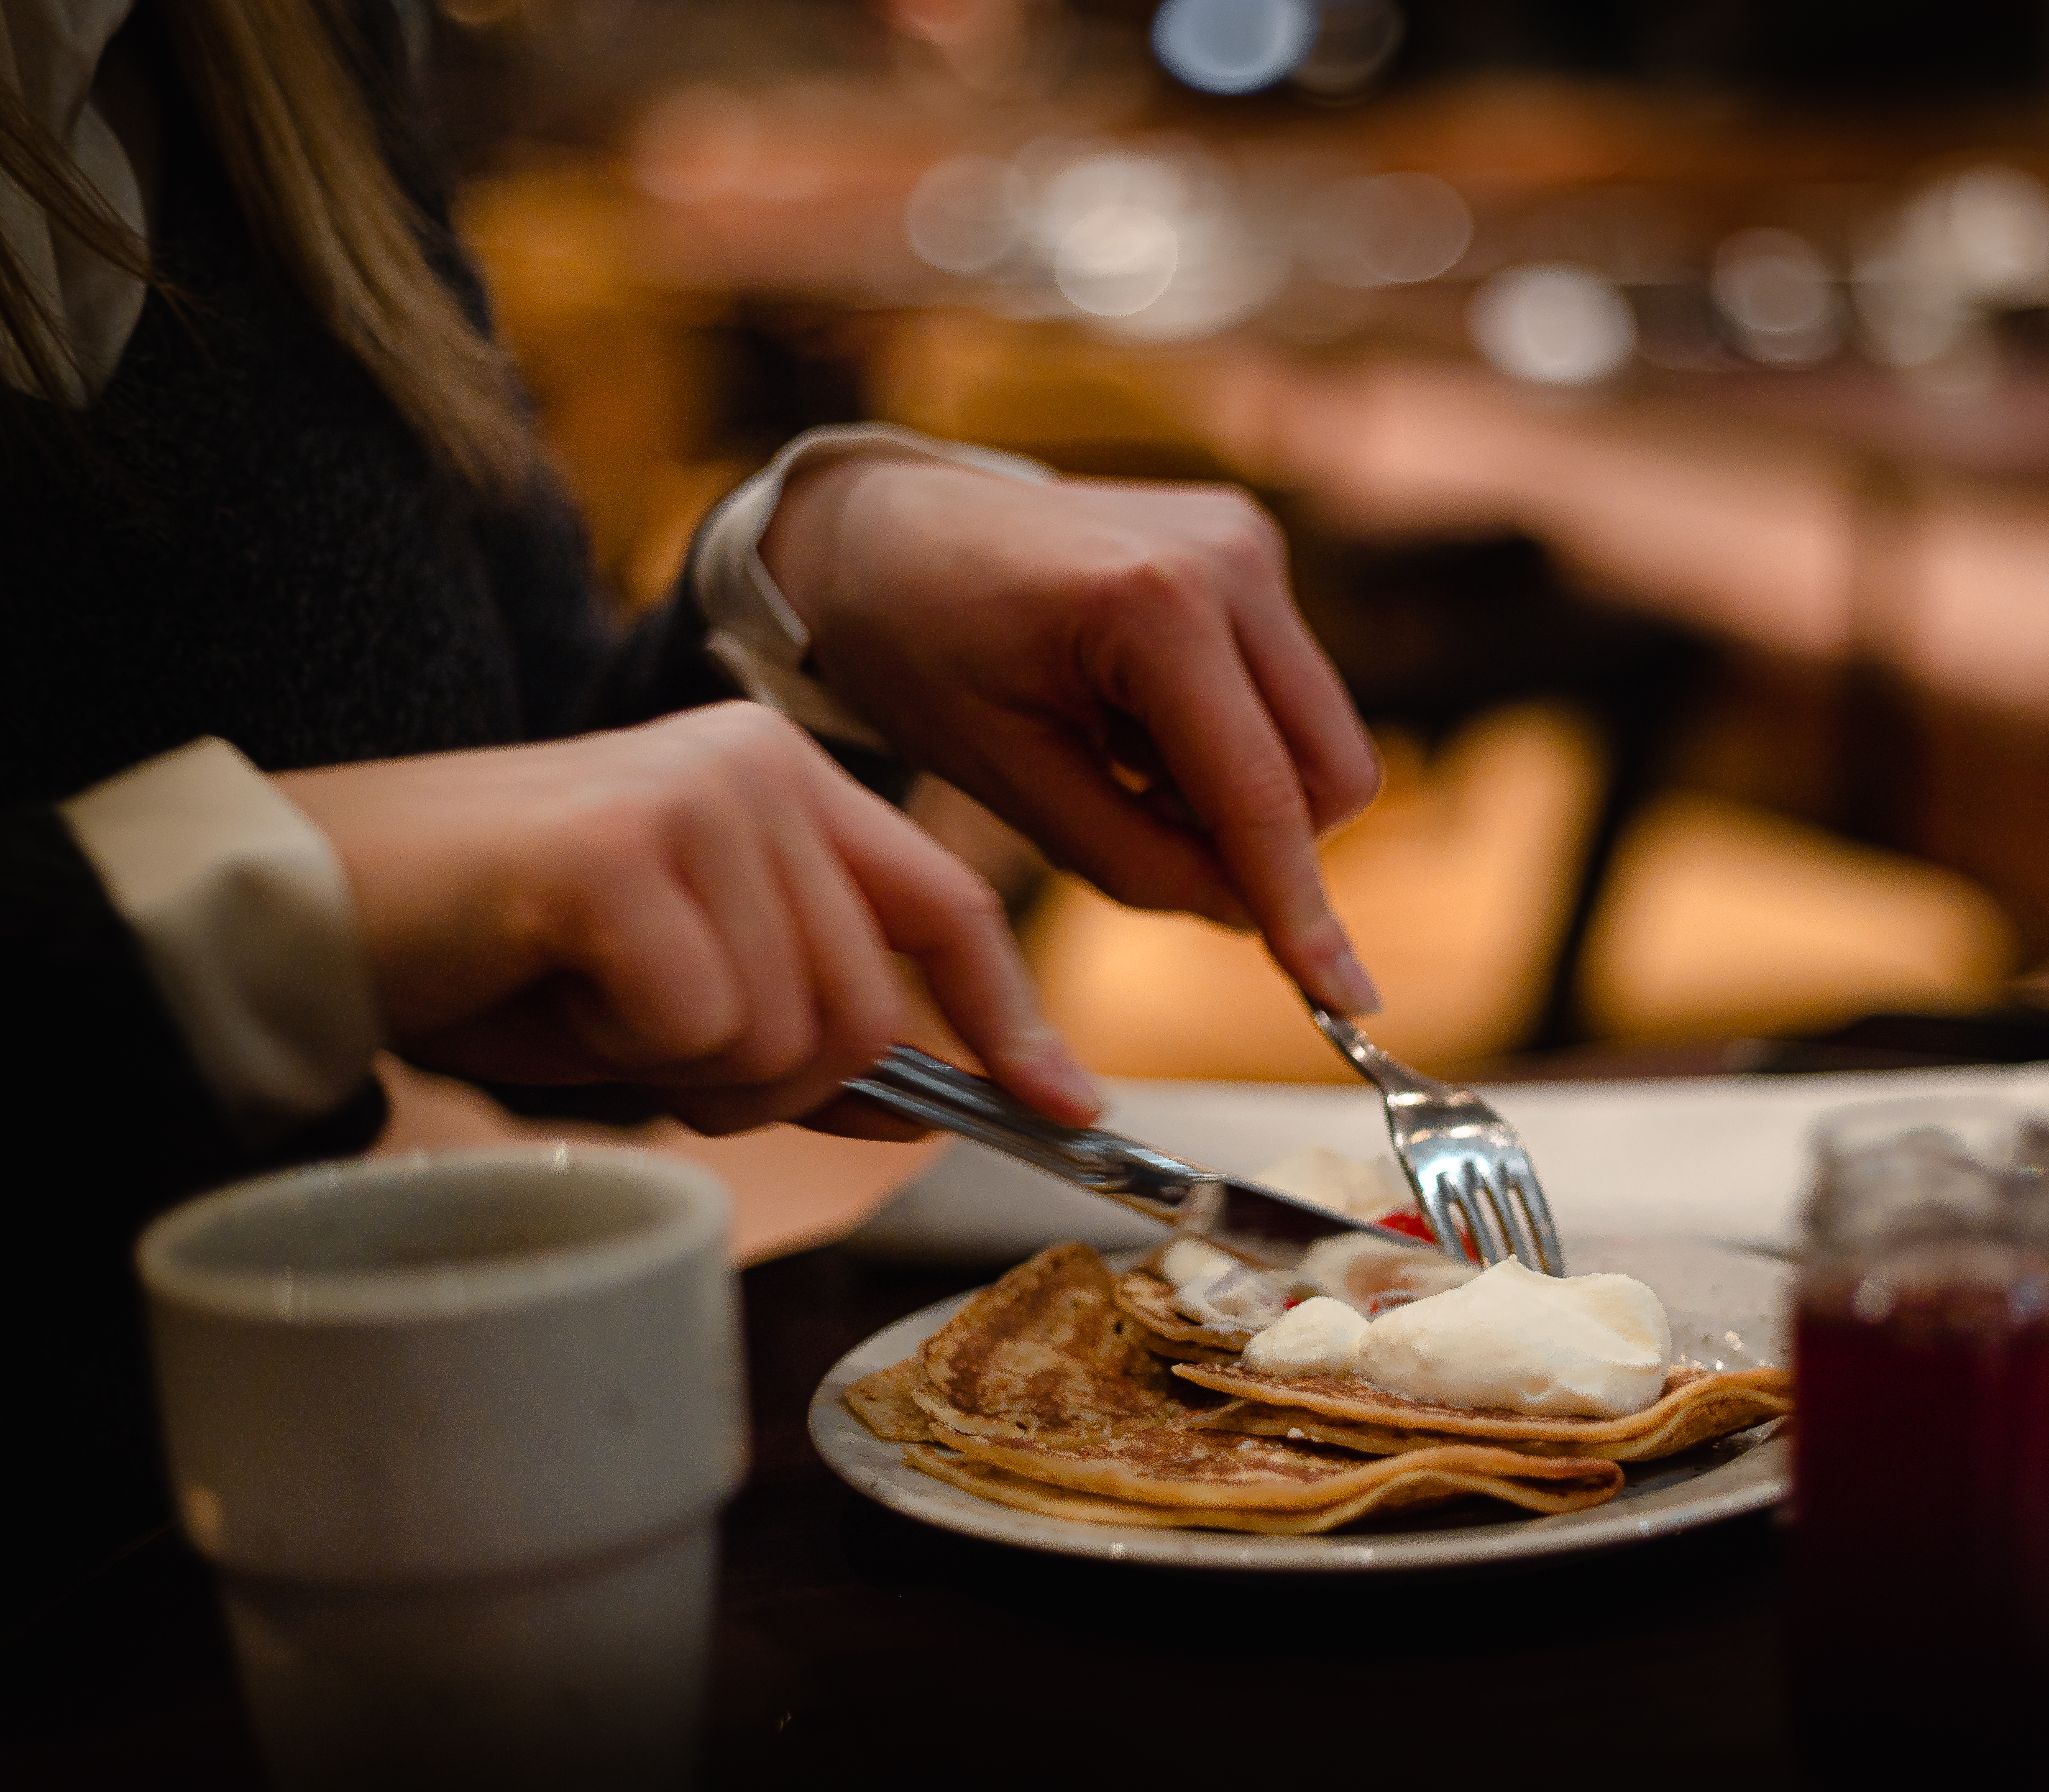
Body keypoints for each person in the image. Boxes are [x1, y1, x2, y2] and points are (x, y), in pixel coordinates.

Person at [0, 0, 1379, 1613]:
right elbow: (350, 862)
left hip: (313, 1520)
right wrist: (244, 903)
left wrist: (811, 586)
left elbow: (479, 813)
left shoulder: (272, 39)